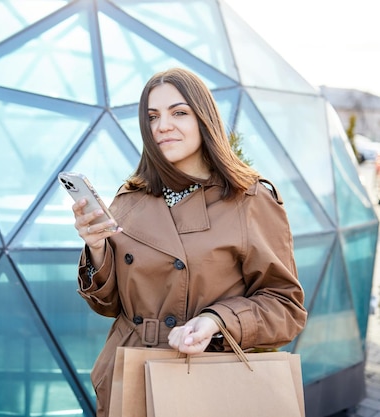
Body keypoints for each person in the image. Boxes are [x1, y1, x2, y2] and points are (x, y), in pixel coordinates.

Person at [71, 67, 307, 417]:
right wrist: (97, 249)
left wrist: (217, 320)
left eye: (178, 112)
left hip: (205, 377)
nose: (162, 126)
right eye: (153, 117)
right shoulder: (130, 198)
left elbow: (286, 308)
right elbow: (108, 306)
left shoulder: (249, 199)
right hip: (127, 370)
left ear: (204, 119)